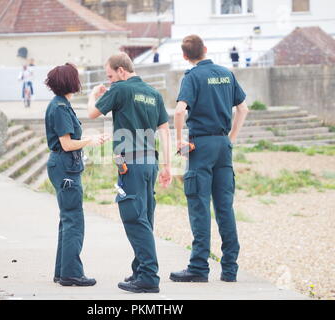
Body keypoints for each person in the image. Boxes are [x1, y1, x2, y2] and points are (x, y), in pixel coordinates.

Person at [87, 52, 172, 293]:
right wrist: (167, 166)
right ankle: (139, 270)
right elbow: (165, 132)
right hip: (150, 163)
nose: (110, 80)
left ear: (122, 71)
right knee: (144, 217)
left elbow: (92, 113)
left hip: (131, 164)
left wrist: (94, 95)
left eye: (111, 75)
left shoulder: (121, 89)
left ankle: (148, 276)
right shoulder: (154, 94)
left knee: (134, 218)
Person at [171, 35, 249, 283]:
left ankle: (198, 268)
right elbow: (243, 108)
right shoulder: (227, 73)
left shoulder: (192, 77)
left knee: (199, 206)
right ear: (205, 49)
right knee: (225, 207)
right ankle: (230, 269)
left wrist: (179, 141)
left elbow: (180, 110)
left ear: (185, 56)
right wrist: (231, 138)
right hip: (223, 144)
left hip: (200, 145)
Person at [44, 63, 109, 287]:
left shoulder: (61, 104)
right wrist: (91, 140)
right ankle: (71, 274)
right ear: (70, 82)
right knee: (73, 220)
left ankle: (62, 271)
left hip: (62, 166)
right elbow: (67, 144)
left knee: (67, 219)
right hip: (65, 167)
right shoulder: (60, 108)